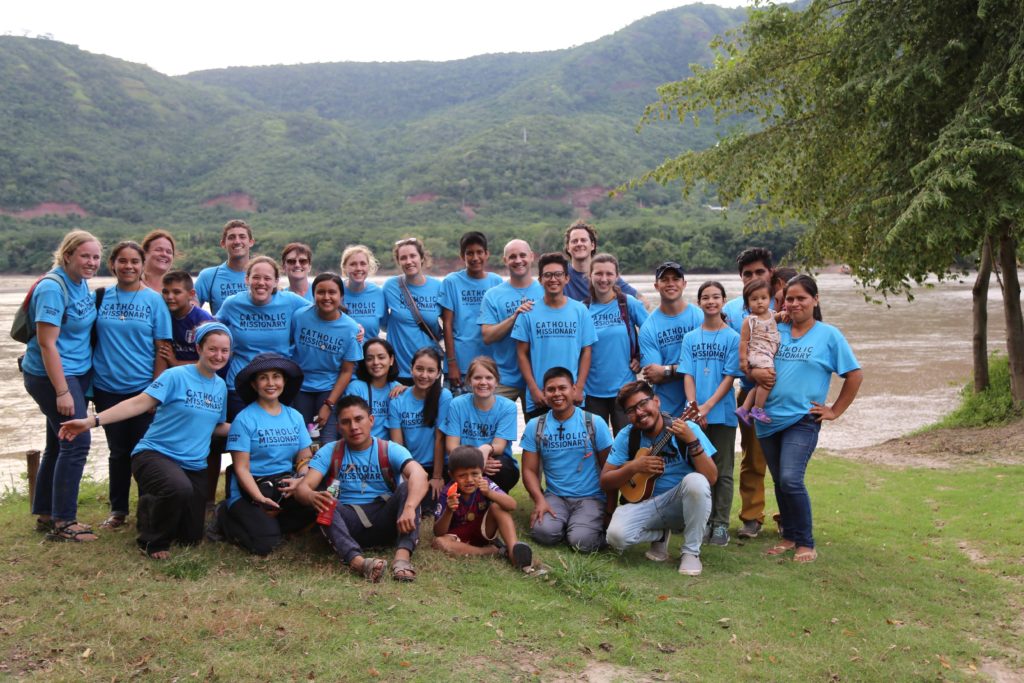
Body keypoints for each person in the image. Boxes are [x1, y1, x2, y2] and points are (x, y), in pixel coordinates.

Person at [58, 323, 233, 559]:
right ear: (199, 348)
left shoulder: (220, 386)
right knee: (177, 488)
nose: (218, 356)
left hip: (193, 465)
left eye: (224, 351)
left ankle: (154, 510)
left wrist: (252, 428)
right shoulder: (175, 376)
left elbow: (216, 425)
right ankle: (151, 541)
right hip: (155, 455)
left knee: (190, 537)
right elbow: (139, 403)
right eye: (213, 349)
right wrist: (92, 421)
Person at [753, 275, 862, 564]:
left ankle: (805, 541)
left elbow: (854, 375)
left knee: (791, 478)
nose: (795, 303)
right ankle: (789, 535)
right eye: (790, 298)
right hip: (766, 418)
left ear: (815, 300)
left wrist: (834, 410)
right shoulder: (776, 330)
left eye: (802, 297)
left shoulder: (829, 336)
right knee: (779, 481)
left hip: (802, 419)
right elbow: (751, 356)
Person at [295, 395, 428, 582]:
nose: (354, 427)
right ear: (339, 427)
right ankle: (359, 563)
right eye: (346, 422)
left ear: (371, 420)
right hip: (349, 524)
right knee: (326, 501)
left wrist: (409, 507)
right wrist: (311, 496)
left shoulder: (389, 449)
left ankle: (402, 558)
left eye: (359, 419)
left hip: (387, 519)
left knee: (409, 488)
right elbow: (303, 488)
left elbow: (420, 475)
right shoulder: (330, 451)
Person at [21, 231, 102, 541]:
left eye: (96, 257)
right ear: (67, 255)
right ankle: (64, 522)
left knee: (58, 442)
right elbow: (47, 345)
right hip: (53, 375)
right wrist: (62, 391)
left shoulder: (80, 284)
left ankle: (45, 512)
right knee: (76, 441)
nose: (92, 262)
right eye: (85, 256)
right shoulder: (53, 289)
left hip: (76, 373)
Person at [91, 241, 173, 530]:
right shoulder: (99, 297)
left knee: (144, 453)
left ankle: (148, 510)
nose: (129, 266)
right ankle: (118, 510)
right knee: (118, 452)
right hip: (107, 387)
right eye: (122, 261)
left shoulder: (154, 301)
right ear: (112, 264)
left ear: (142, 265)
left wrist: (156, 390)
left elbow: (162, 347)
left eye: (134, 262)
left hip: (142, 389)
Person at [600, 381, 717, 576]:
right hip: (646, 504)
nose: (639, 413)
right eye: (631, 410)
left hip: (682, 503)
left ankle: (690, 553)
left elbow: (711, 477)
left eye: (643, 404)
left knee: (696, 481)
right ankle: (661, 533)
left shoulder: (686, 428)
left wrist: (692, 441)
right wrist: (634, 467)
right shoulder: (627, 436)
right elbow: (605, 481)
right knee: (615, 537)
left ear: (656, 401)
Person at [219, 354, 316, 556]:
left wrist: (300, 480)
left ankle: (271, 522)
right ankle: (225, 517)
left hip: (283, 486)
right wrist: (259, 499)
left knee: (318, 504)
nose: (271, 383)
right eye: (263, 378)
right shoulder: (244, 419)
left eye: (276, 376)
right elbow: (241, 468)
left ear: (284, 381)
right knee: (266, 545)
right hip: (250, 491)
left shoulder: (294, 416)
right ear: (254, 385)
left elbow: (304, 458)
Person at [521, 367, 613, 552]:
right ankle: (573, 526)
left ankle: (583, 530)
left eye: (562, 388)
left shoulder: (594, 423)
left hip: (591, 497)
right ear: (544, 394)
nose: (557, 394)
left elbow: (609, 469)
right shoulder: (535, 426)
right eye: (551, 389)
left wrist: (610, 510)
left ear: (573, 389)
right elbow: (529, 470)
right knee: (543, 533)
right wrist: (539, 500)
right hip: (556, 496)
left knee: (581, 542)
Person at [680, 281, 741, 547]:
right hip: (696, 415)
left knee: (724, 470)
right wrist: (694, 407)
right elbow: (688, 374)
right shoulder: (690, 338)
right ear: (699, 302)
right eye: (705, 297)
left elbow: (729, 378)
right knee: (700, 469)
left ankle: (720, 524)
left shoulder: (733, 338)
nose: (711, 302)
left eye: (716, 297)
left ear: (723, 301)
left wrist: (707, 407)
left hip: (723, 413)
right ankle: (702, 520)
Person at [721, 247, 775, 539]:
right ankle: (752, 517)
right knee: (753, 458)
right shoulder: (731, 310)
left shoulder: (784, 305)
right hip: (750, 391)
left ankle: (788, 516)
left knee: (787, 460)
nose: (753, 278)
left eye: (759, 272)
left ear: (771, 272)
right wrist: (753, 373)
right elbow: (730, 354)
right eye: (747, 274)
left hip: (785, 392)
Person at [216, 256, 308, 419]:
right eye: (256, 277)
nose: (261, 283)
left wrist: (354, 327)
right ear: (247, 279)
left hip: (278, 385)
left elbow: (321, 314)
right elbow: (211, 328)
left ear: (276, 282)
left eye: (267, 278)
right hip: (240, 384)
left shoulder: (290, 301)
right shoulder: (233, 303)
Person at [512, 252, 597, 420]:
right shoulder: (528, 312)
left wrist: (579, 388)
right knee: (537, 443)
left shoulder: (580, 310)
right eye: (548, 275)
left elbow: (587, 351)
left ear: (567, 278)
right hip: (540, 397)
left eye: (558, 274)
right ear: (540, 280)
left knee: (576, 443)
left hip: (571, 394)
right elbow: (521, 353)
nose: (553, 279)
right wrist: (535, 390)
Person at [158, 270, 219, 505]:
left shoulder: (203, 321)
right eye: (166, 292)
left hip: (203, 387)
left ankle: (207, 499)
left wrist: (176, 363)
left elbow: (216, 361)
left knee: (208, 443)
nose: (170, 297)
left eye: (176, 292)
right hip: (175, 388)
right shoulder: (163, 316)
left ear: (191, 294)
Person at [432, 446, 533, 569]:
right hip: (458, 537)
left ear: (482, 471)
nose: (469, 480)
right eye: (462, 475)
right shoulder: (448, 492)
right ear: (452, 476)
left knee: (498, 507)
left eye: (475, 474)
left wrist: (490, 493)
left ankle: (513, 551)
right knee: (439, 542)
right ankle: (492, 552)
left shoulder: (485, 483)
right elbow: (438, 532)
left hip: (483, 531)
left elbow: (512, 505)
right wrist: (448, 510)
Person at [290, 273, 362, 445]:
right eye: (321, 292)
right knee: (303, 441)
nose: (326, 297)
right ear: (313, 295)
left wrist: (329, 404)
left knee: (327, 440)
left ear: (341, 296)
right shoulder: (300, 316)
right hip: (301, 388)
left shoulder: (350, 328)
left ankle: (329, 472)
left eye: (332, 292)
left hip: (329, 388)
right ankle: (301, 472)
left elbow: (346, 371)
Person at [583, 253, 648, 434]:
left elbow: (651, 332)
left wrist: (641, 357)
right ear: (590, 275)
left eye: (609, 274)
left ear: (617, 276)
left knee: (628, 444)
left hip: (625, 390)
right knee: (595, 447)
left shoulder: (628, 304)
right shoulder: (582, 309)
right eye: (598, 274)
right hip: (591, 393)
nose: (604, 279)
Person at [479, 238, 544, 412]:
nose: (518, 260)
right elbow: (487, 336)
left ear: (532, 257)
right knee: (492, 430)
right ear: (505, 260)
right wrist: (514, 317)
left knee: (539, 433)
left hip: (538, 378)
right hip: (504, 377)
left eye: (522, 255)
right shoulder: (493, 295)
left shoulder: (546, 290)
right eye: (512, 256)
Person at [441, 357, 520, 493]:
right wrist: (477, 464)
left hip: (492, 460)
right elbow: (451, 446)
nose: (483, 382)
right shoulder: (457, 404)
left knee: (501, 467)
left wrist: (485, 449)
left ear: (496, 381)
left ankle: (494, 502)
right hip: (463, 460)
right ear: (469, 381)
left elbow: (499, 446)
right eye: (477, 378)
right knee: (451, 469)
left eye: (489, 378)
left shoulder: (508, 407)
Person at [388, 346, 452, 510]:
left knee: (433, 505)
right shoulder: (398, 400)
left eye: (431, 371)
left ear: (438, 374)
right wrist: (407, 476)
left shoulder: (444, 396)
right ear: (411, 369)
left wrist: (437, 477)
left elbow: (440, 438)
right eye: (419, 369)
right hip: (410, 466)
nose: (424, 375)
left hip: (436, 467)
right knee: (404, 501)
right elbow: (398, 446)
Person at [638, 261, 703, 418]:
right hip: (666, 412)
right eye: (665, 279)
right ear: (656, 286)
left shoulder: (699, 317)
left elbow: (705, 364)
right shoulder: (648, 327)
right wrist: (681, 369)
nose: (670, 284)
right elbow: (655, 375)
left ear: (684, 284)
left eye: (675, 279)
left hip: (702, 407)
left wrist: (667, 370)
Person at [439, 231, 502, 391]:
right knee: (456, 413)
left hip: (489, 365)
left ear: (487, 254)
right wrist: (452, 363)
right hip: (460, 363)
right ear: (462, 256)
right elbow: (447, 323)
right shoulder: (451, 282)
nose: (475, 258)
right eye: (470, 253)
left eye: (479, 252)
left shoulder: (496, 281)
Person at [382, 237, 444, 382]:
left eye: (413, 256)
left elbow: (446, 325)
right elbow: (383, 323)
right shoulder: (390, 287)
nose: (409, 261)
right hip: (397, 370)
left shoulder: (438, 287)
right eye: (403, 258)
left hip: (428, 371)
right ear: (398, 262)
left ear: (422, 258)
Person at [735, 278, 781, 425]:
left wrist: (784, 315)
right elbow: (743, 342)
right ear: (747, 303)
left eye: (763, 298)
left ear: (770, 299)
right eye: (754, 299)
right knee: (769, 379)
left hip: (767, 353)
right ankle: (758, 408)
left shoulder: (772, 314)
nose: (759, 302)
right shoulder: (750, 320)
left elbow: (777, 318)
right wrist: (743, 361)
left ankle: (744, 409)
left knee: (759, 385)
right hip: (758, 354)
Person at [561, 219, 640, 302]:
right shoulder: (559, 275)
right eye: (574, 241)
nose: (579, 244)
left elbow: (642, 301)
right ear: (568, 247)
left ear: (592, 245)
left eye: (583, 240)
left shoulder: (606, 275)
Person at [344, 337, 406, 440]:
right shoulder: (356, 388)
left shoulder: (398, 388)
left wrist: (408, 391)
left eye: (381, 357)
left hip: (390, 450)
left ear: (391, 360)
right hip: (363, 448)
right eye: (369, 358)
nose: (376, 362)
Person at [195, 219, 255, 315]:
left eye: (242, 237)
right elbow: (189, 312)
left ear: (251, 242)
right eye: (231, 237)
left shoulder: (263, 276)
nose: (237, 241)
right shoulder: (208, 276)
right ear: (223, 243)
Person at [340, 245, 388, 340]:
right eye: (353, 264)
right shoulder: (335, 290)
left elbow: (386, 326)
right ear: (344, 267)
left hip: (370, 353)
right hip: (342, 353)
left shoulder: (378, 293)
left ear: (368, 267)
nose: (358, 268)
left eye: (363, 264)